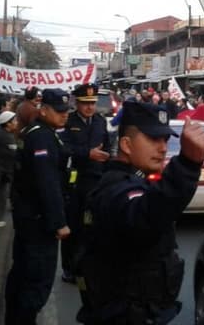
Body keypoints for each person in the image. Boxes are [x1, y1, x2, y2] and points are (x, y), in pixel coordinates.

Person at [75, 101, 204, 324]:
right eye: (153, 139)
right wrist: (187, 164)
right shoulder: (118, 189)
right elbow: (145, 215)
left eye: (165, 140)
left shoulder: (131, 181)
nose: (162, 148)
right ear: (126, 145)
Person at [5, 89, 71, 325]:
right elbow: (47, 182)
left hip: (29, 216)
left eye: (66, 111)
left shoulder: (42, 132)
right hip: (38, 220)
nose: (64, 115)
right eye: (59, 111)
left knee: (22, 274)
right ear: (43, 110)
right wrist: (59, 222)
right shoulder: (42, 137)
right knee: (35, 280)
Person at [59, 83, 110, 285]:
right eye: (85, 103)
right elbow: (63, 148)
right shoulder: (67, 121)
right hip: (74, 182)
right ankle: (69, 269)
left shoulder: (99, 121)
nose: (89, 107)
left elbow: (106, 146)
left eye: (92, 103)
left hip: (96, 181)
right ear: (76, 103)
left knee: (92, 227)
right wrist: (87, 153)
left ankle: (86, 267)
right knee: (73, 227)